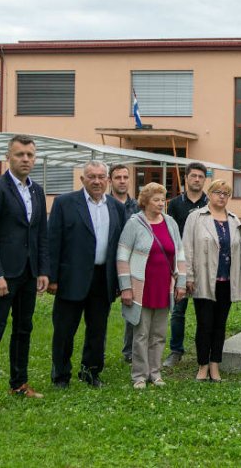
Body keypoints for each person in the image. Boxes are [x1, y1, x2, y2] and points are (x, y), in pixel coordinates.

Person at [0, 134, 49, 411]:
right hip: (3, 276)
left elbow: (41, 232)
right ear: (9, 157)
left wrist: (42, 270)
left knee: (23, 329)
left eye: (30, 155)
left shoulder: (36, 190)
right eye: (20, 154)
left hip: (28, 273)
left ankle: (19, 383)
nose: (26, 159)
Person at [48, 160, 127, 388]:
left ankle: (91, 371)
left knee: (97, 330)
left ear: (108, 181)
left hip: (103, 278)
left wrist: (120, 281)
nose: (97, 181)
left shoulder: (116, 207)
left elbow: (119, 246)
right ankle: (61, 375)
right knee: (64, 330)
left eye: (101, 177)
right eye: (91, 176)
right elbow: (53, 241)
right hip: (70, 278)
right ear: (82, 180)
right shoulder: (65, 203)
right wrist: (52, 277)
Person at [117, 183, 187, 388]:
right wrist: (125, 287)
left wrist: (181, 282)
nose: (160, 203)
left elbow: (180, 254)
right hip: (141, 287)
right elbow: (122, 256)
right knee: (141, 334)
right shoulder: (134, 223)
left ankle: (155, 373)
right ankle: (139, 375)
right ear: (145, 201)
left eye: (162, 199)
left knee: (158, 334)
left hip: (163, 287)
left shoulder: (170, 222)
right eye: (156, 199)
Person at [183, 179, 241, 382]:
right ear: (209, 194)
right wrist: (189, 276)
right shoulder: (196, 217)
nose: (222, 196)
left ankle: (215, 365)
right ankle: (202, 365)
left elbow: (240, 253)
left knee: (220, 325)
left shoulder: (235, 221)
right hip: (203, 280)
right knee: (205, 324)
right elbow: (187, 248)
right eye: (218, 192)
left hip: (226, 281)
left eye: (226, 193)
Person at [164, 162, 209, 367]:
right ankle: (175, 350)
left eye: (201, 176)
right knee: (178, 310)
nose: (197, 179)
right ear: (186, 178)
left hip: (204, 265)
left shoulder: (210, 202)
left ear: (204, 180)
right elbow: (170, 233)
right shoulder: (174, 204)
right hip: (180, 264)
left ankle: (205, 350)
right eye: (194, 176)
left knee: (205, 311)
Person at [109, 163, 141, 365]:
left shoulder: (138, 207)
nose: (122, 181)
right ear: (110, 180)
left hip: (132, 265)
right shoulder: (103, 204)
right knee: (99, 310)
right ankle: (96, 354)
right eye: (117, 177)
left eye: (125, 177)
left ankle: (130, 351)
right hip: (107, 264)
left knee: (133, 306)